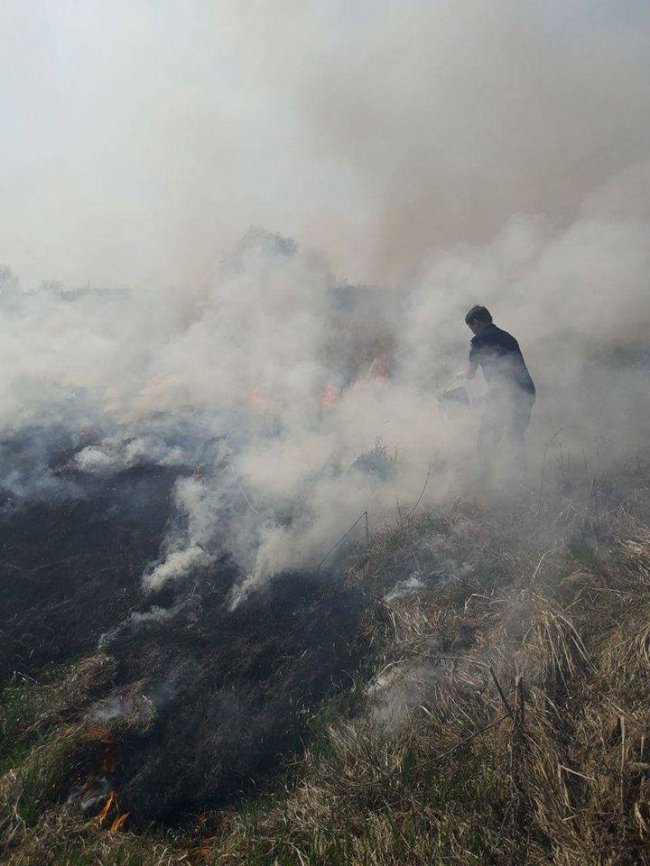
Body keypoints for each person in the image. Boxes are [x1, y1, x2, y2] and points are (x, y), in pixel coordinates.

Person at [461, 305, 535, 486]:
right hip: (526, 391)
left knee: (486, 437)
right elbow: (509, 372)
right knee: (515, 436)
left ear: (476, 323)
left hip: (505, 394)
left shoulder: (479, 341)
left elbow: (470, 374)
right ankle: (520, 481)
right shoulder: (508, 337)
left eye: (471, 327)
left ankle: (485, 481)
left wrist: (461, 375)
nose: (472, 331)